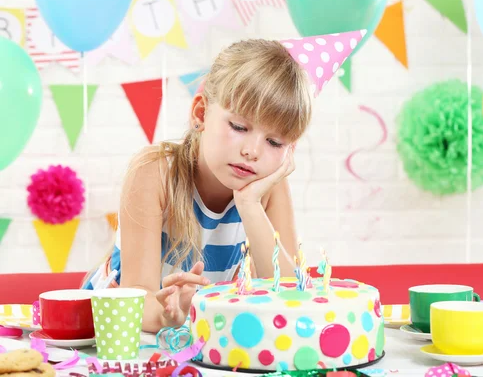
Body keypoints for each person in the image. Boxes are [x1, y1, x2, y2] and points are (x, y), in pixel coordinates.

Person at [83, 30, 364, 333]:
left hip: (196, 332)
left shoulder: (266, 188)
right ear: (201, 113)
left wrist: (249, 203)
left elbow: (290, 297)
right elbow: (134, 298)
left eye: (274, 142)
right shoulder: (155, 173)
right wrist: (169, 313)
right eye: (239, 126)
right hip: (118, 329)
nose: (252, 151)